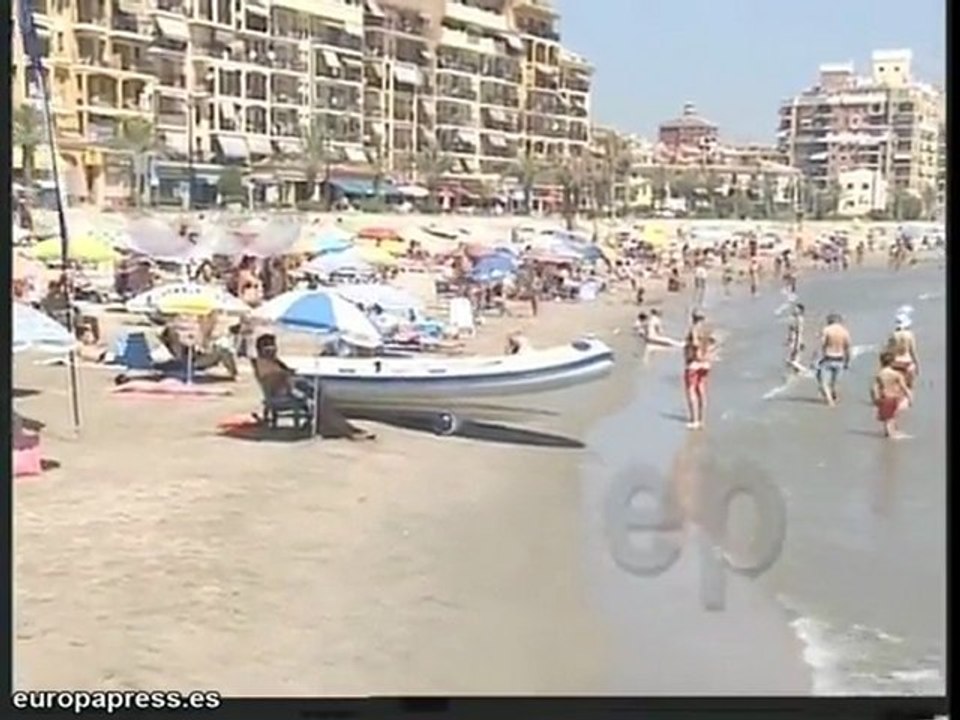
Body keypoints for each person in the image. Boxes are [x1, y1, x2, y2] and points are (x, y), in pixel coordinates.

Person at [252, 334, 375, 440]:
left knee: (319, 396)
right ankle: (345, 430)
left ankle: (342, 427)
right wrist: (289, 377)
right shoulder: (265, 364)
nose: (274, 350)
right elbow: (277, 379)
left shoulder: (271, 361)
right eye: (271, 347)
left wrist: (291, 375)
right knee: (319, 399)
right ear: (264, 349)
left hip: (287, 389)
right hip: (283, 393)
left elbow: (287, 373)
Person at [682, 310, 714, 429]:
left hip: (694, 364)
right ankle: (701, 419)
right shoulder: (707, 330)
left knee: (691, 391)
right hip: (706, 364)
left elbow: (695, 344)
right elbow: (712, 344)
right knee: (701, 390)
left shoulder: (694, 330)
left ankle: (694, 419)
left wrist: (693, 353)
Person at [872, 351, 913, 439]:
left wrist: (875, 399)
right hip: (895, 398)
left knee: (887, 419)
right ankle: (892, 433)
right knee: (892, 417)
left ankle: (890, 435)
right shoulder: (896, 374)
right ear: (892, 362)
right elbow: (904, 388)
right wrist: (910, 398)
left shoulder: (880, 374)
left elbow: (874, 388)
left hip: (885, 397)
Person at [816, 313, 852, 406]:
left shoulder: (827, 330)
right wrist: (848, 361)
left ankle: (830, 402)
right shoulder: (845, 332)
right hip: (840, 359)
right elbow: (848, 348)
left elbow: (822, 345)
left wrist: (817, 358)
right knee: (835, 383)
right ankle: (834, 397)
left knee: (824, 383)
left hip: (828, 358)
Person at [884, 314, 920, 389]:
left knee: (895, 385)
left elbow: (889, 351)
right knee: (909, 386)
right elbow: (913, 351)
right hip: (907, 362)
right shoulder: (909, 335)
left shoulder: (893, 335)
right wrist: (917, 365)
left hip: (896, 363)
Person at [785, 303, 806, 373]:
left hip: (796, 340)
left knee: (792, 359)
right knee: (793, 358)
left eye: (797, 309)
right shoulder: (795, 318)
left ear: (800, 311)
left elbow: (799, 332)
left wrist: (798, 343)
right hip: (794, 340)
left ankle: (803, 370)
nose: (795, 310)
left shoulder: (799, 320)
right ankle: (796, 372)